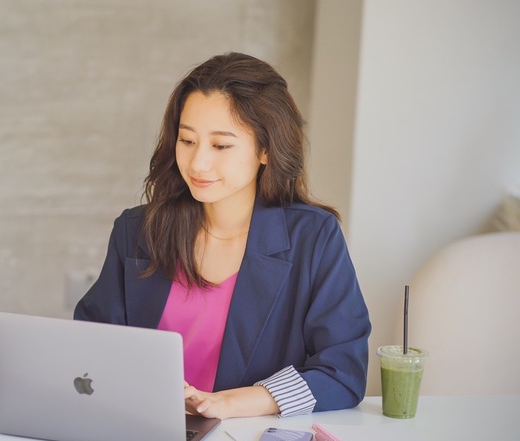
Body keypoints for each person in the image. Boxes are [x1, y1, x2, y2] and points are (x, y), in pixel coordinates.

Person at [74, 52, 370, 419]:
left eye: (221, 145)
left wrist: (229, 403)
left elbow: (342, 373)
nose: (198, 163)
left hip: (247, 435)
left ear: (266, 149)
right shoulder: (136, 231)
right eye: (187, 140)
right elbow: (91, 345)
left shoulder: (314, 238)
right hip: (141, 425)